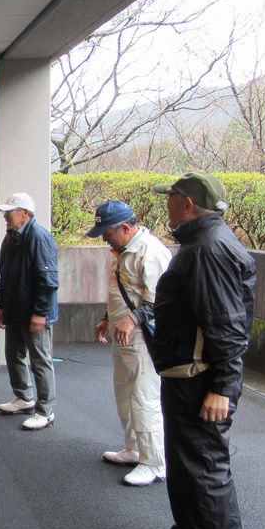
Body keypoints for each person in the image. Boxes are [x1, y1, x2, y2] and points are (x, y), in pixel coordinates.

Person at [146, 173, 256, 529]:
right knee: (185, 462)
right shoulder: (202, 243)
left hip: (200, 379)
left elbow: (226, 324)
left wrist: (223, 386)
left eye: (170, 198)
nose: (166, 204)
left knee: (207, 470)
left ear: (187, 203)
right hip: (186, 375)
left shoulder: (209, 248)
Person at [87, 199, 172, 486]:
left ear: (124, 227)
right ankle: (134, 449)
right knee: (125, 393)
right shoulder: (125, 250)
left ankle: (154, 462)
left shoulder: (150, 251)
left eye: (107, 233)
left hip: (143, 338)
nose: (104, 239)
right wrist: (107, 318)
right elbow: (122, 290)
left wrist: (132, 319)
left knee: (143, 397)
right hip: (124, 335)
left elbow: (162, 298)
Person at [0, 192, 59, 430]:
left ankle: (45, 411)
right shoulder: (10, 238)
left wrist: (40, 313)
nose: (5, 217)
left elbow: (48, 280)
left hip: (34, 312)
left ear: (24, 213)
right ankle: (24, 397)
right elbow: (5, 276)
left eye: (9, 213)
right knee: (13, 354)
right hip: (15, 309)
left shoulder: (40, 237)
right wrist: (2, 307)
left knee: (40, 360)